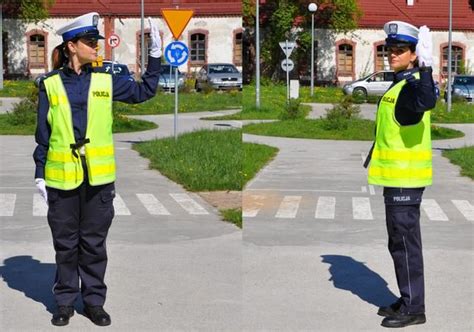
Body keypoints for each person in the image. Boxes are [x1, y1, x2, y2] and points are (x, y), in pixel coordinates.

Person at [33, 12, 162, 327]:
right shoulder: (49, 85)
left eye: (96, 42)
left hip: (99, 179)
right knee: (66, 244)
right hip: (61, 178)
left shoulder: (106, 79)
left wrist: (156, 59)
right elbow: (43, 134)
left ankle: (93, 303)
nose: (96, 47)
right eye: (90, 43)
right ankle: (64, 302)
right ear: (72, 46)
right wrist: (39, 173)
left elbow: (143, 92)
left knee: (93, 244)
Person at [364, 21, 437, 328]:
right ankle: (408, 299)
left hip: (405, 181)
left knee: (404, 244)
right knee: (399, 243)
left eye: (400, 50)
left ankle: (414, 308)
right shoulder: (400, 85)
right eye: (389, 49)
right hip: (397, 180)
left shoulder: (412, 87)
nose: (392, 54)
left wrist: (428, 67)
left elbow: (425, 101)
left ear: (413, 54)